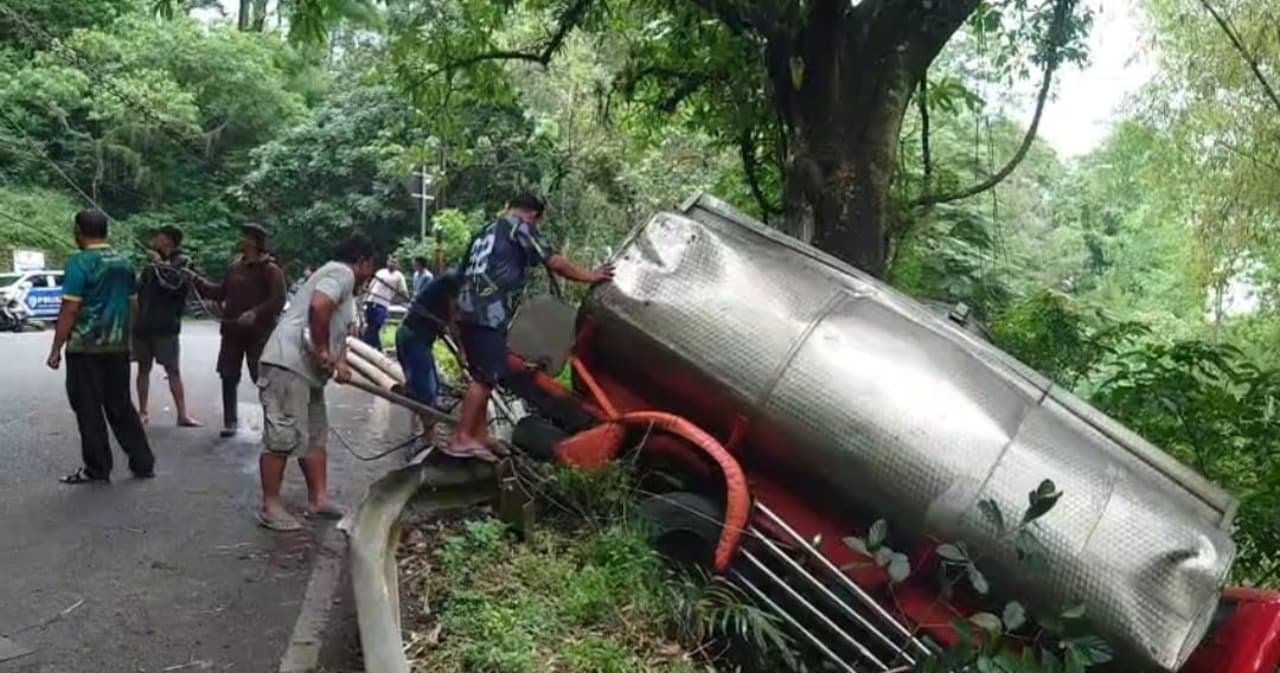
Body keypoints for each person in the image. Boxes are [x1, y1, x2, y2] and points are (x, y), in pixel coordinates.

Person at [450, 193, 613, 460]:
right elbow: (554, 261)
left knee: (486, 373)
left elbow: (460, 274)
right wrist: (590, 276)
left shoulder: (485, 231)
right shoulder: (519, 226)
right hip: (489, 312)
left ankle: (478, 434)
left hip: (468, 309)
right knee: (484, 378)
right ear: (535, 215)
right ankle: (463, 437)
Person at [254, 234, 377, 531]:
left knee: (314, 436)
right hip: (288, 364)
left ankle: (318, 500)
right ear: (362, 261)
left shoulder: (348, 291)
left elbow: (339, 332)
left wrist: (341, 362)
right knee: (282, 436)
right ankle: (271, 506)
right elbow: (319, 307)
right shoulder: (341, 272)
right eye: (371, 266)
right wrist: (322, 351)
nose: (371, 274)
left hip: (308, 372)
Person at [46, 210, 155, 484]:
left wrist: (56, 348)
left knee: (88, 408)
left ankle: (97, 468)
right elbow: (133, 305)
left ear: (79, 231)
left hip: (86, 348)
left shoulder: (80, 262)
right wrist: (128, 339)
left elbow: (70, 308)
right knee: (121, 405)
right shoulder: (123, 263)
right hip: (116, 347)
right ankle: (143, 462)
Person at [191, 223, 286, 437]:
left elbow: (278, 300)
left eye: (245, 237)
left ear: (255, 242)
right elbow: (219, 293)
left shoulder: (270, 270)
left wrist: (255, 313)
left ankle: (272, 421)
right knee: (228, 375)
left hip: (259, 334)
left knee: (262, 378)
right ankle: (230, 422)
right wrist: (196, 280)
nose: (241, 240)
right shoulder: (235, 267)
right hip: (232, 331)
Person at [132, 225, 199, 427]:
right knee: (143, 368)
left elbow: (175, 285)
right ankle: (142, 412)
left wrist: (160, 264)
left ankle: (182, 414)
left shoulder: (183, 262)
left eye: (159, 237)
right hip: (144, 325)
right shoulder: (150, 265)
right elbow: (139, 291)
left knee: (173, 370)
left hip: (166, 326)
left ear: (169, 240)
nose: (155, 240)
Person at [395, 268, 461, 412]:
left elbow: (446, 325)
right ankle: (426, 423)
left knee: (431, 389)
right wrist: (461, 352)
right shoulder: (453, 284)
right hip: (413, 338)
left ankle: (424, 418)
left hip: (414, 338)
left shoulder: (441, 288)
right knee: (426, 394)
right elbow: (453, 323)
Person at [362, 256, 407, 349]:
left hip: (382, 304)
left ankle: (376, 348)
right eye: (390, 261)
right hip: (371, 301)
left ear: (398, 264)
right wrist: (365, 297)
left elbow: (403, 292)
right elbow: (371, 286)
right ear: (387, 262)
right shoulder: (380, 272)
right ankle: (371, 347)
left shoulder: (399, 276)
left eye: (394, 262)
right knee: (370, 326)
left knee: (375, 327)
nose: (392, 264)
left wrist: (393, 300)